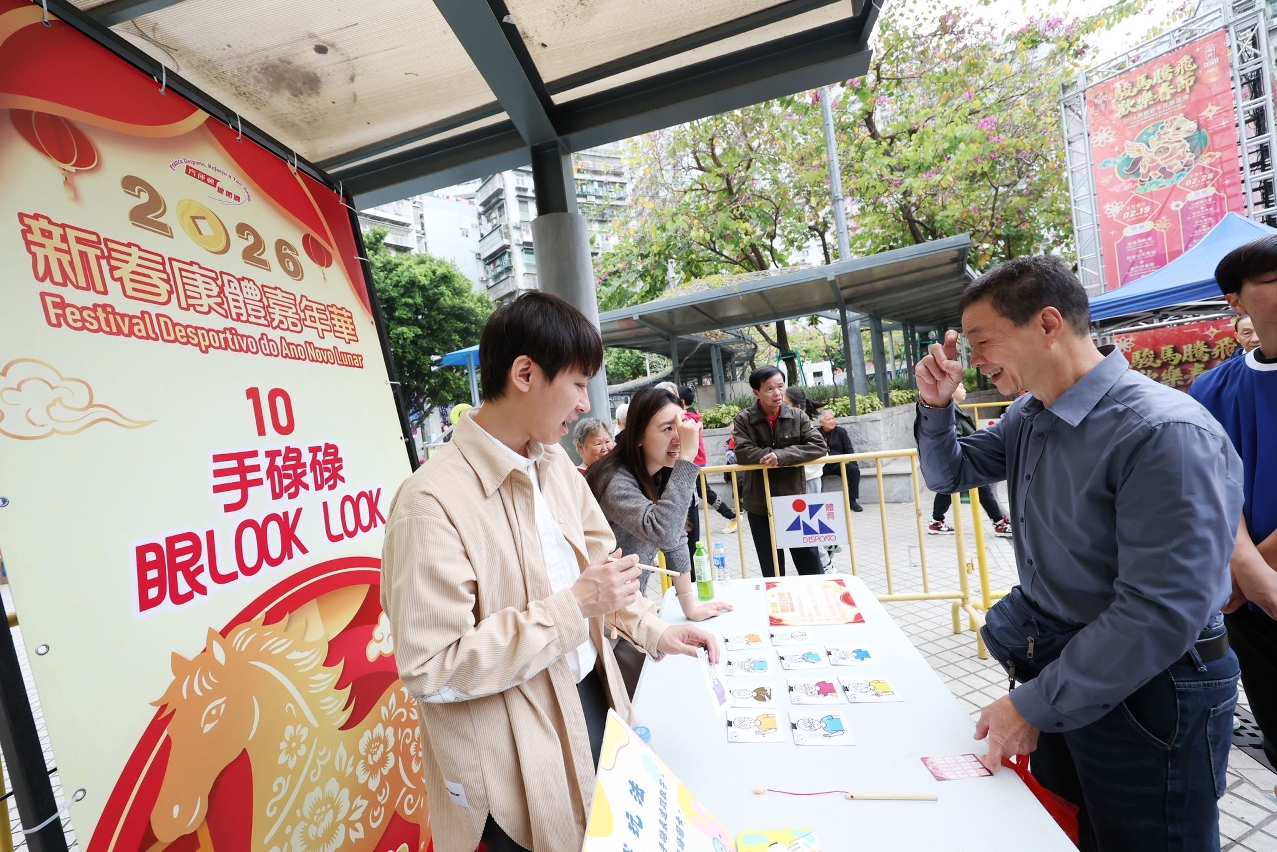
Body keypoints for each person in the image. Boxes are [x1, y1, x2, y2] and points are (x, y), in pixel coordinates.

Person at [914, 255, 1242, 852]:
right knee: (1078, 831)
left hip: (1153, 687)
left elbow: (1160, 610)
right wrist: (937, 408)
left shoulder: (1161, 432)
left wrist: (1034, 705)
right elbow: (950, 473)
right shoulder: (1030, 414)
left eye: (983, 340)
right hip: (1070, 670)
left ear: (1048, 323)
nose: (974, 360)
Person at [380, 292, 720, 852]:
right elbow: (431, 670)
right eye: (578, 384)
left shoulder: (554, 462)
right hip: (510, 748)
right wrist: (574, 607)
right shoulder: (430, 503)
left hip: (592, 695)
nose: (585, 404)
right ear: (524, 374)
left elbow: (604, 573)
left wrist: (654, 629)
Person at [1189, 238, 1277, 782]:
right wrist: (1250, 573)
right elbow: (1212, 486)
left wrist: (1250, 575)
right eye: (1272, 282)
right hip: (1249, 609)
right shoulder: (1212, 389)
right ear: (1236, 302)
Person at [587, 386, 735, 617]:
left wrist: (690, 609)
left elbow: (676, 539)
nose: (679, 438)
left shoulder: (663, 472)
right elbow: (662, 531)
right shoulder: (612, 479)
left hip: (629, 607)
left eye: (681, 426)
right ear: (638, 436)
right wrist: (686, 459)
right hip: (598, 615)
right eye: (668, 428)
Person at [732, 366, 828, 577]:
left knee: (810, 563)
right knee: (772, 567)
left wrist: (781, 456)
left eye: (780, 387)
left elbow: (818, 445)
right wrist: (771, 455)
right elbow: (742, 452)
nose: (777, 393)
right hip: (759, 502)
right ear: (756, 392)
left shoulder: (797, 416)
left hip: (794, 501)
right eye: (769, 389)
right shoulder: (744, 419)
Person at [925, 384, 1012, 538]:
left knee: (951, 489)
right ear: (951, 391)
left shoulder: (953, 409)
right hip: (965, 459)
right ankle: (999, 522)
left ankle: (936, 521)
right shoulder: (951, 411)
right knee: (978, 488)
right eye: (961, 387)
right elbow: (954, 437)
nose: (965, 390)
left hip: (964, 459)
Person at [677, 385, 739, 538]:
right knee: (703, 492)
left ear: (682, 401)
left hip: (693, 461)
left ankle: (732, 516)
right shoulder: (694, 416)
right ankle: (731, 516)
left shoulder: (686, 419)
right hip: (697, 460)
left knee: (704, 492)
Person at [816, 408, 862, 512]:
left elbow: (849, 449)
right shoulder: (815, 433)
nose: (832, 421)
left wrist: (854, 463)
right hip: (822, 465)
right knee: (811, 475)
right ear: (821, 422)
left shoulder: (841, 432)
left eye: (833, 418)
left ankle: (852, 500)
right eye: (828, 419)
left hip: (838, 463)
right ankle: (816, 501)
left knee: (854, 470)